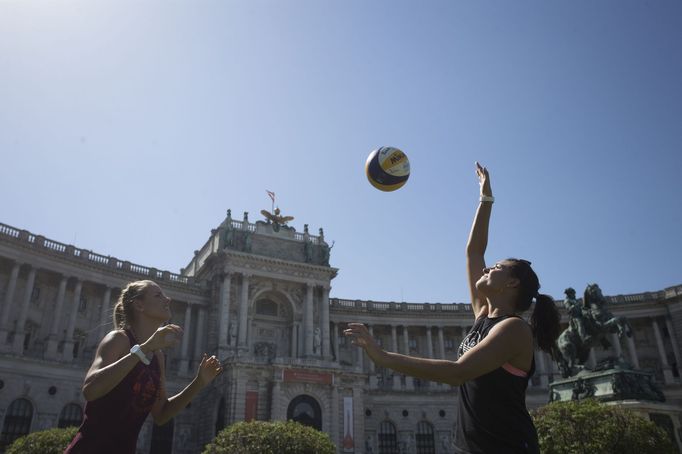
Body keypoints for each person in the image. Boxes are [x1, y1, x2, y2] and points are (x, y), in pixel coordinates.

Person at [344, 162, 560, 454]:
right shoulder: (482, 315)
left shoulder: (514, 329)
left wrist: (382, 357)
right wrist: (485, 198)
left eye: (496, 268)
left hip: (506, 446)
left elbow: (458, 373)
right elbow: (474, 251)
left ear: (511, 284)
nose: (486, 268)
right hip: (470, 446)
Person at [65, 280, 222, 453]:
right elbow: (90, 390)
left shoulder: (158, 357)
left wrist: (199, 382)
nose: (168, 299)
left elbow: (161, 414)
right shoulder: (118, 339)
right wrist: (145, 348)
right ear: (139, 305)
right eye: (158, 295)